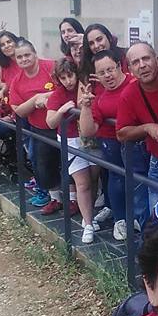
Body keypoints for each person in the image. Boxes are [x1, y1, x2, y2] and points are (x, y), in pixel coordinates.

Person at [79, 50, 148, 240]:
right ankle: (120, 220)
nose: (107, 75)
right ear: (96, 75)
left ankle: (141, 219)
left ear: (119, 66)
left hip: (141, 143)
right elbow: (87, 130)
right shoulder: (98, 96)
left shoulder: (136, 84)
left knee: (141, 183)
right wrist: (85, 106)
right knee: (117, 179)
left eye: (110, 69)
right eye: (102, 73)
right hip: (112, 142)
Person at [117, 42, 158, 215]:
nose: (142, 65)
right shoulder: (129, 93)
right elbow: (121, 133)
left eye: (146, 58)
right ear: (130, 69)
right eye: (135, 62)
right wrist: (147, 128)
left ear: (156, 60)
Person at [45, 58, 98, 243]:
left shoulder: (85, 87)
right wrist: (61, 111)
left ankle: (87, 215)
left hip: (90, 138)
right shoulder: (57, 95)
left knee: (93, 178)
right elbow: (50, 122)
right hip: (71, 140)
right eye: (63, 77)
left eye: (71, 75)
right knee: (82, 183)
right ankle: (89, 224)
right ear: (58, 78)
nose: (68, 80)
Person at [8, 39, 64, 214]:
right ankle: (55, 199)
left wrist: (47, 96)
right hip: (39, 128)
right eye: (20, 57)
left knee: (70, 164)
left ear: (35, 54)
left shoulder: (51, 67)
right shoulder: (17, 81)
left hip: (63, 125)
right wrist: (34, 100)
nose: (24, 59)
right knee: (43, 165)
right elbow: (19, 110)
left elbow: (66, 86)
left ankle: (73, 200)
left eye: (27, 55)